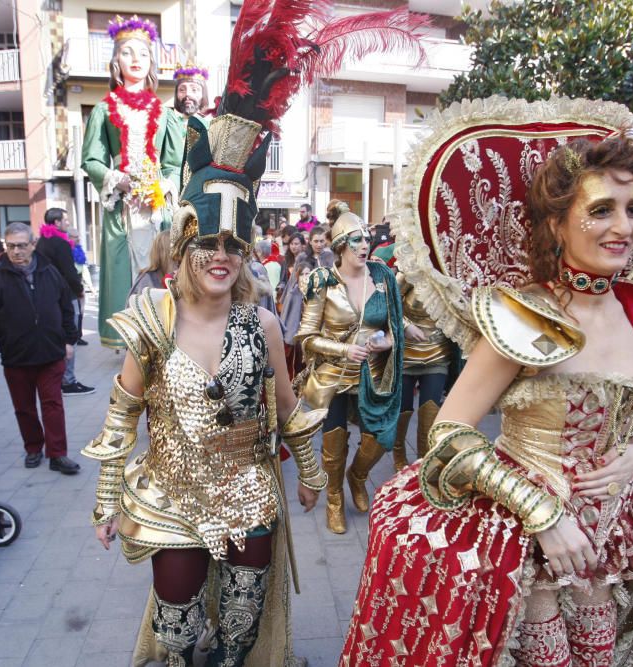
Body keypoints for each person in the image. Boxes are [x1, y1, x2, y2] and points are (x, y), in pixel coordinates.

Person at [339, 102, 633, 663]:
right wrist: (542, 514)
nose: (624, 228)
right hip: (524, 544)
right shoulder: (528, 317)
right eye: (601, 210)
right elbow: (449, 433)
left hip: (608, 535)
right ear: (556, 222)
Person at [82, 115, 327, 667]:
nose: (222, 257)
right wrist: (105, 504)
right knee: (175, 634)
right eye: (209, 244)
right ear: (183, 244)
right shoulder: (151, 317)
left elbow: (288, 408)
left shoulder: (261, 322)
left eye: (234, 246)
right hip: (170, 495)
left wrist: (311, 475)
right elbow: (122, 416)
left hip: (249, 490)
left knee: (240, 629)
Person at [295, 205, 404, 534]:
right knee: (334, 443)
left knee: (381, 438)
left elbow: (392, 323)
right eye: (355, 240)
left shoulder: (382, 277)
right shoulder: (322, 281)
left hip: (373, 376)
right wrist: (344, 348)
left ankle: (357, 477)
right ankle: (333, 499)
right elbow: (306, 337)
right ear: (340, 245)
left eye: (366, 239)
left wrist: (388, 340)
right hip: (333, 378)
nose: (363, 246)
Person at [81, 16, 187, 349]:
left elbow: (173, 163)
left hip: (157, 207)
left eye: (143, 53)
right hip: (123, 208)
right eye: (127, 52)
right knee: (125, 266)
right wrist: (121, 181)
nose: (136, 59)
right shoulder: (103, 110)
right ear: (116, 61)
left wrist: (160, 187)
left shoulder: (165, 112)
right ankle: (130, 337)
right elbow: (92, 159)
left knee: (162, 262)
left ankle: (164, 330)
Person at [0, 223, 79, 474]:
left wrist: (69, 340)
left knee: (53, 405)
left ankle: (57, 454)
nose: (17, 251)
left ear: (32, 244)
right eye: (11, 246)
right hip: (16, 357)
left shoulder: (50, 272)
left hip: (51, 354)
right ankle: (33, 447)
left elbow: (66, 308)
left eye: (22, 245)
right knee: (24, 407)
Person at [391, 269, 458, 470]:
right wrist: (405, 326)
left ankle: (424, 459)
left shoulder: (449, 274)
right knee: (403, 410)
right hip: (407, 354)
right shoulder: (409, 272)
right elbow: (388, 303)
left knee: (431, 409)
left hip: (438, 353)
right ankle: (398, 455)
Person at [35, 208, 93, 397]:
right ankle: (68, 381)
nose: (68, 223)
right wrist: (79, 289)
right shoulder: (60, 243)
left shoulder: (42, 242)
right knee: (71, 335)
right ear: (57, 223)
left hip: (47, 297)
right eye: (65, 220)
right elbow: (69, 272)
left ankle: (57, 378)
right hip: (66, 296)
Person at [280, 254, 315, 380]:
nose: (306, 277)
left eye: (308, 274)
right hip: (295, 340)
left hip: (311, 337)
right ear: (297, 276)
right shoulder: (293, 294)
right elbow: (286, 317)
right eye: (303, 274)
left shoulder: (316, 294)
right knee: (295, 369)